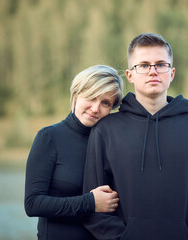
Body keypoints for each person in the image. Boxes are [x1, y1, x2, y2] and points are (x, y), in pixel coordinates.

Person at [83, 33, 188, 240]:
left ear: (172, 73)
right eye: (143, 65)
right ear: (130, 75)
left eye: (161, 64)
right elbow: (93, 203)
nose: (153, 71)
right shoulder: (105, 130)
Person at [25, 65, 124, 240]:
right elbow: (33, 204)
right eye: (91, 97)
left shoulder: (112, 144)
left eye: (105, 103)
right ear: (76, 95)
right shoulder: (49, 137)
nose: (95, 108)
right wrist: (90, 202)